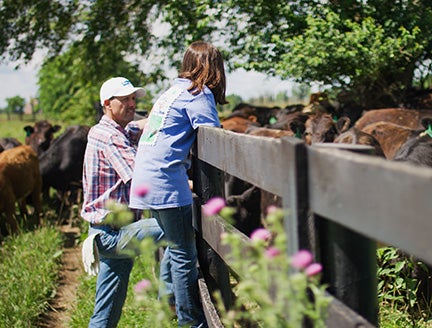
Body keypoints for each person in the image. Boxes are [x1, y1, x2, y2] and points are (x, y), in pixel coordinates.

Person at [129, 41, 227, 327]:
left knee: (174, 245)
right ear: (214, 68)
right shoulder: (198, 93)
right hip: (166, 182)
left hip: (146, 179)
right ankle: (190, 322)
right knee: (185, 254)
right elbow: (214, 135)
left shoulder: (171, 92)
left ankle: (167, 302)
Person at [81, 76, 171, 328]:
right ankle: (170, 300)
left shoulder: (111, 130)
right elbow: (143, 179)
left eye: (134, 99)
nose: (132, 104)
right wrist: (189, 187)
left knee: (106, 312)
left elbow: (140, 126)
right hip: (113, 234)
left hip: (107, 232)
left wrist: (160, 110)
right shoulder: (111, 137)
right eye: (125, 99)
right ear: (108, 103)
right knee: (179, 228)